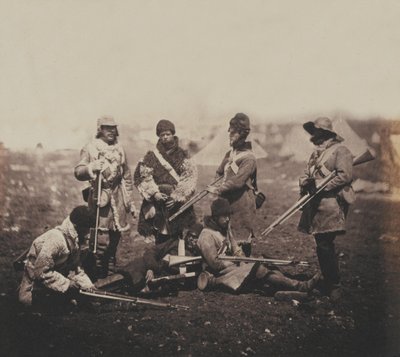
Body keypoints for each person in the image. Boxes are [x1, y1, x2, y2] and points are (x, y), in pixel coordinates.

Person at [197, 198, 319, 294]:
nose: (228, 219)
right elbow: (214, 263)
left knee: (265, 261)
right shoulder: (206, 235)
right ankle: (299, 286)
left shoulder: (223, 228)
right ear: (215, 217)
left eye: (229, 215)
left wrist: (241, 257)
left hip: (233, 266)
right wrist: (236, 263)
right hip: (221, 274)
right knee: (258, 269)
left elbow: (234, 247)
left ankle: (288, 288)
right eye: (224, 216)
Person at [298, 117, 354, 301]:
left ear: (327, 134)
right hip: (316, 205)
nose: (313, 136)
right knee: (321, 244)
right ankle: (327, 279)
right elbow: (309, 173)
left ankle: (333, 285)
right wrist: (304, 180)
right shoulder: (315, 154)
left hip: (331, 204)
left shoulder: (341, 151)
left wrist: (323, 185)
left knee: (324, 245)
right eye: (313, 132)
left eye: (317, 132)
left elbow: (345, 176)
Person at [74, 116, 137, 279]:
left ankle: (109, 270)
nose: (111, 131)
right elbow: (78, 172)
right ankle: (95, 271)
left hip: (118, 200)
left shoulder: (120, 149)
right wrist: (91, 167)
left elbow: (127, 176)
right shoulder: (90, 148)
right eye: (107, 128)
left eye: (113, 128)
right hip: (99, 200)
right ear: (99, 129)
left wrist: (128, 200)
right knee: (100, 240)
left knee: (115, 238)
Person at [133, 119, 197, 244]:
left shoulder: (183, 155)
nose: (165, 137)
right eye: (162, 135)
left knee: (179, 236)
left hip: (177, 202)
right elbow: (143, 175)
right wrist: (154, 193)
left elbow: (190, 177)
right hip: (157, 202)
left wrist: (177, 196)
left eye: (168, 134)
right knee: (159, 235)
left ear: (173, 134)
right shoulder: (151, 157)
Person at [18, 206, 96, 306]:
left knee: (76, 302)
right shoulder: (56, 239)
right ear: (77, 226)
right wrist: (67, 284)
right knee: (64, 306)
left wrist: (88, 286)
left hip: (56, 280)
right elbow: (40, 272)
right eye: (87, 228)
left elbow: (75, 268)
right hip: (35, 287)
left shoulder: (74, 239)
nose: (88, 233)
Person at [207, 113, 257, 251]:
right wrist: (215, 185)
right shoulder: (229, 155)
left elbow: (237, 182)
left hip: (241, 203)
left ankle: (245, 270)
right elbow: (219, 172)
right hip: (227, 201)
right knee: (226, 239)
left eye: (233, 132)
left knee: (241, 241)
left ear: (242, 133)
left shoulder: (249, 158)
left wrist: (218, 190)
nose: (230, 134)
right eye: (230, 131)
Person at [108, 223, 204, 293]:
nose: (192, 239)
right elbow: (151, 251)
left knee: (127, 290)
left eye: (195, 238)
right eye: (191, 236)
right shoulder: (175, 243)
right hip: (146, 267)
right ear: (186, 236)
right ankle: (95, 289)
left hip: (161, 281)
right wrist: (151, 268)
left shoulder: (199, 255)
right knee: (122, 278)